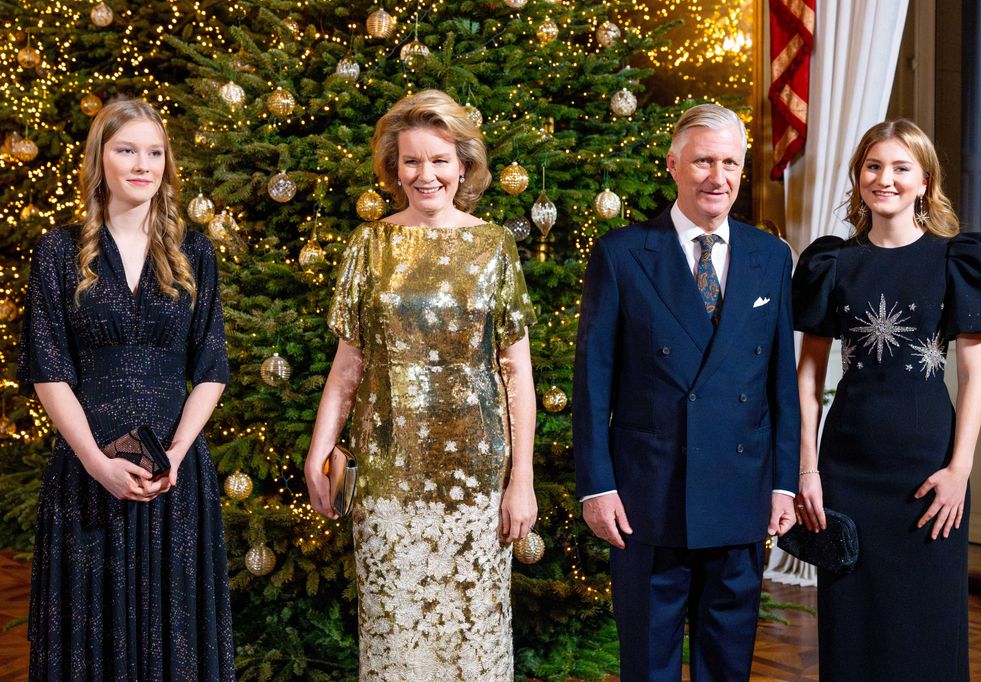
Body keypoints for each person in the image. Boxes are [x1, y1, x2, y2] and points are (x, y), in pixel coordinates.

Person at [303, 89, 537, 680]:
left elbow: (517, 374)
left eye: (439, 160)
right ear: (393, 168)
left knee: (473, 645)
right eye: (411, 161)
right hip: (387, 474)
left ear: (464, 165)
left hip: (476, 480)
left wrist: (522, 480)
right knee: (394, 642)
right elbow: (347, 365)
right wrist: (318, 449)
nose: (425, 174)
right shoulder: (369, 246)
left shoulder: (494, 247)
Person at [573, 103, 800, 681]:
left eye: (730, 162)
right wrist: (597, 486)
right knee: (647, 664)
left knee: (728, 665)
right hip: (647, 495)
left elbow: (779, 382)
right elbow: (593, 380)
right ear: (673, 165)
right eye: (703, 161)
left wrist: (783, 483)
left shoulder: (770, 256)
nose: (717, 177)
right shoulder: (622, 253)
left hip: (741, 492)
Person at [792, 119, 981, 680]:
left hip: (927, 469)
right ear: (859, 178)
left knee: (929, 622)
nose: (885, 179)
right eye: (873, 166)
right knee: (850, 623)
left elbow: (973, 375)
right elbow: (808, 374)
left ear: (924, 181)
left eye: (900, 168)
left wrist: (958, 471)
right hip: (846, 466)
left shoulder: (956, 258)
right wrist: (807, 469)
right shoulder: (832, 263)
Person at [18, 99, 234, 679]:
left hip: (175, 475)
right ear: (100, 160)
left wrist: (179, 456)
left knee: (176, 635)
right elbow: (48, 367)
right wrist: (95, 462)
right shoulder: (59, 252)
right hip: (87, 473)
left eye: (155, 152)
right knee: (91, 637)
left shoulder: (194, 252)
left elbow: (211, 366)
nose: (143, 164)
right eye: (127, 150)